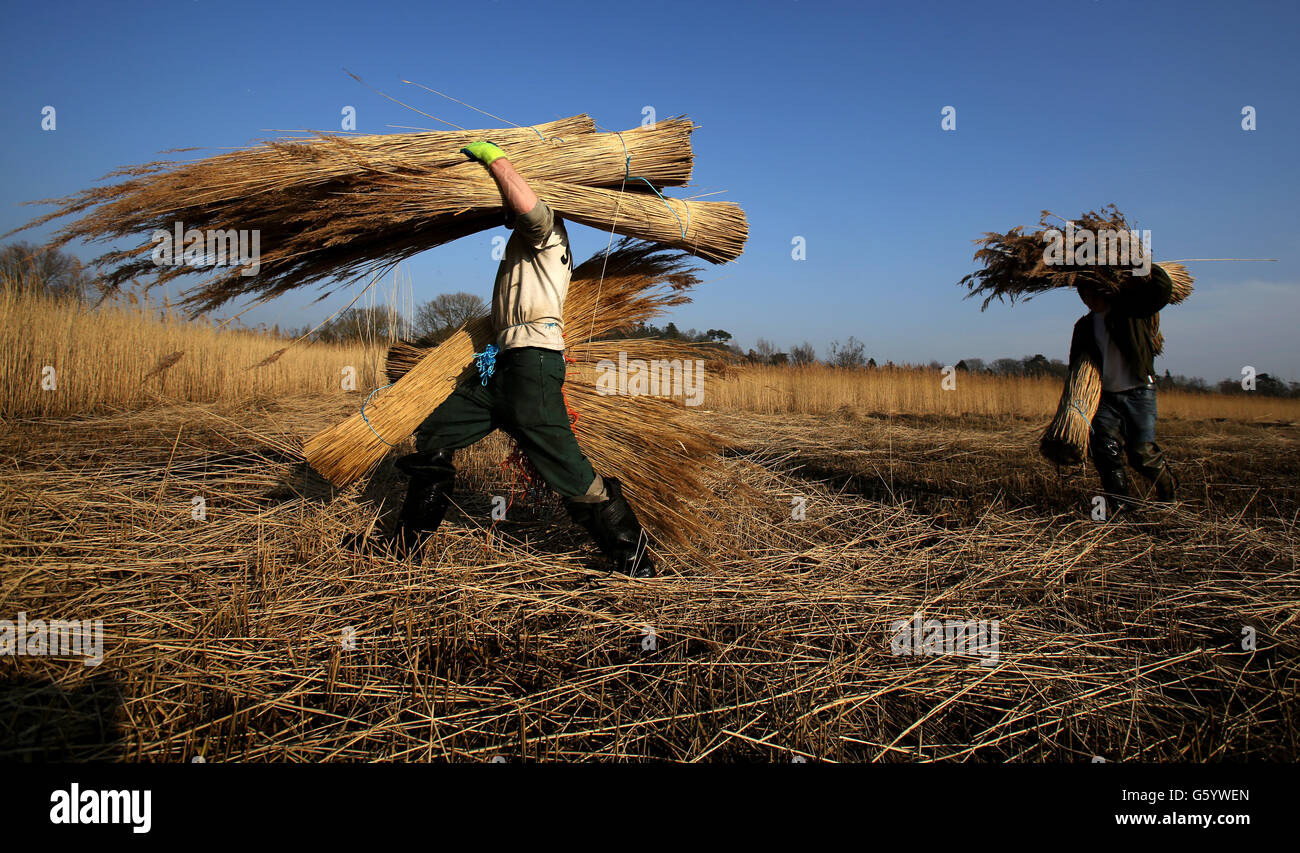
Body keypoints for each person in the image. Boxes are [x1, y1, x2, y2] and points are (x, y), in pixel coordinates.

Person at [351, 140, 655, 577]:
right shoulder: (525, 245)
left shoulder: (547, 232)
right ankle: (405, 546)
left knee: (566, 467)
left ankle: (634, 560)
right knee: (437, 430)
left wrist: (495, 161)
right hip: (504, 367)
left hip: (534, 365)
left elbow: (528, 207)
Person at [1072, 265, 1178, 515]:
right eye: (1085, 296)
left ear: (1106, 291)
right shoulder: (1085, 326)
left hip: (1139, 392)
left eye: (1094, 294)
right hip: (1106, 396)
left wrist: (1143, 265)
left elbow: (1160, 293)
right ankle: (1120, 506)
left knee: (1141, 453)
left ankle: (1168, 495)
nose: (1091, 301)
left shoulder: (1131, 310)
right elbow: (1076, 364)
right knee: (1105, 450)